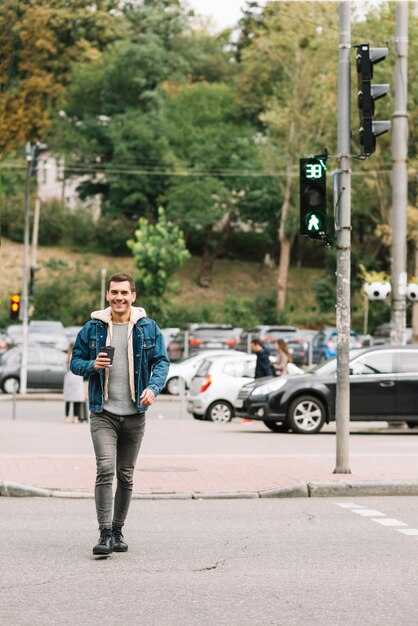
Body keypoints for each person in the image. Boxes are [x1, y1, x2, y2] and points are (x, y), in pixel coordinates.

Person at [70, 272, 169, 557]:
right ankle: (104, 534)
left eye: (124, 293)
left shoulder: (148, 328)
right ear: (108, 295)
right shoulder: (93, 328)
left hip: (136, 413)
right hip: (104, 413)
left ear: (133, 296)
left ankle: (117, 530)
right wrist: (92, 365)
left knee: (125, 475)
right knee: (105, 470)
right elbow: (75, 362)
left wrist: (153, 386)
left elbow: (161, 361)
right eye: (114, 292)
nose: (119, 297)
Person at [63, 342, 87, 423]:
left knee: (68, 399)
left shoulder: (67, 357)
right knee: (77, 399)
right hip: (77, 378)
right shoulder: (78, 356)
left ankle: (66, 417)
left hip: (69, 378)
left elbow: (64, 369)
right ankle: (75, 417)